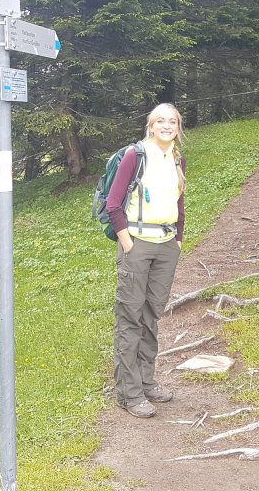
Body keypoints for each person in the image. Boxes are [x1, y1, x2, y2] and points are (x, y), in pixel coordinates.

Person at [105, 103, 186, 418]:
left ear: (178, 127)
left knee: (151, 315)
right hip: (137, 245)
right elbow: (114, 204)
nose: (166, 126)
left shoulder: (176, 158)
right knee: (130, 316)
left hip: (166, 246)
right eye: (160, 121)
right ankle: (129, 393)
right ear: (151, 126)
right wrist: (127, 242)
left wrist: (178, 239)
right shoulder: (135, 156)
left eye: (172, 121)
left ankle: (147, 382)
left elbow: (179, 202)